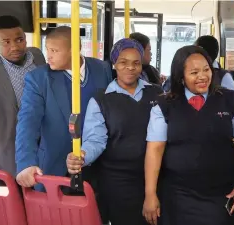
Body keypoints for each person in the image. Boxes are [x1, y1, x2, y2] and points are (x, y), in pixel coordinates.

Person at [143, 45, 234, 225]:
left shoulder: (229, 100)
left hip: (223, 193)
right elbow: (154, 150)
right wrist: (150, 194)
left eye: (206, 70)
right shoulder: (164, 105)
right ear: (181, 77)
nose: (202, 77)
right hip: (178, 195)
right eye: (194, 72)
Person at [66, 38, 163, 225]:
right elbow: (96, 139)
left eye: (136, 63)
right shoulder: (102, 99)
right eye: (123, 63)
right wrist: (82, 156)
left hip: (158, 177)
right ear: (114, 64)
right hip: (118, 181)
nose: (130, 68)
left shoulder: (156, 93)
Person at [15, 26, 112, 191]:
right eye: (47, 49)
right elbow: (27, 123)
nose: (48, 56)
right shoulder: (39, 79)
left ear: (74, 50)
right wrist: (26, 163)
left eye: (54, 50)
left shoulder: (101, 69)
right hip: (54, 167)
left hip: (98, 166)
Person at [0, 15, 45, 178]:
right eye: (6, 42)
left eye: (19, 39)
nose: (15, 47)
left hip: (43, 142)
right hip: (7, 148)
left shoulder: (38, 56)